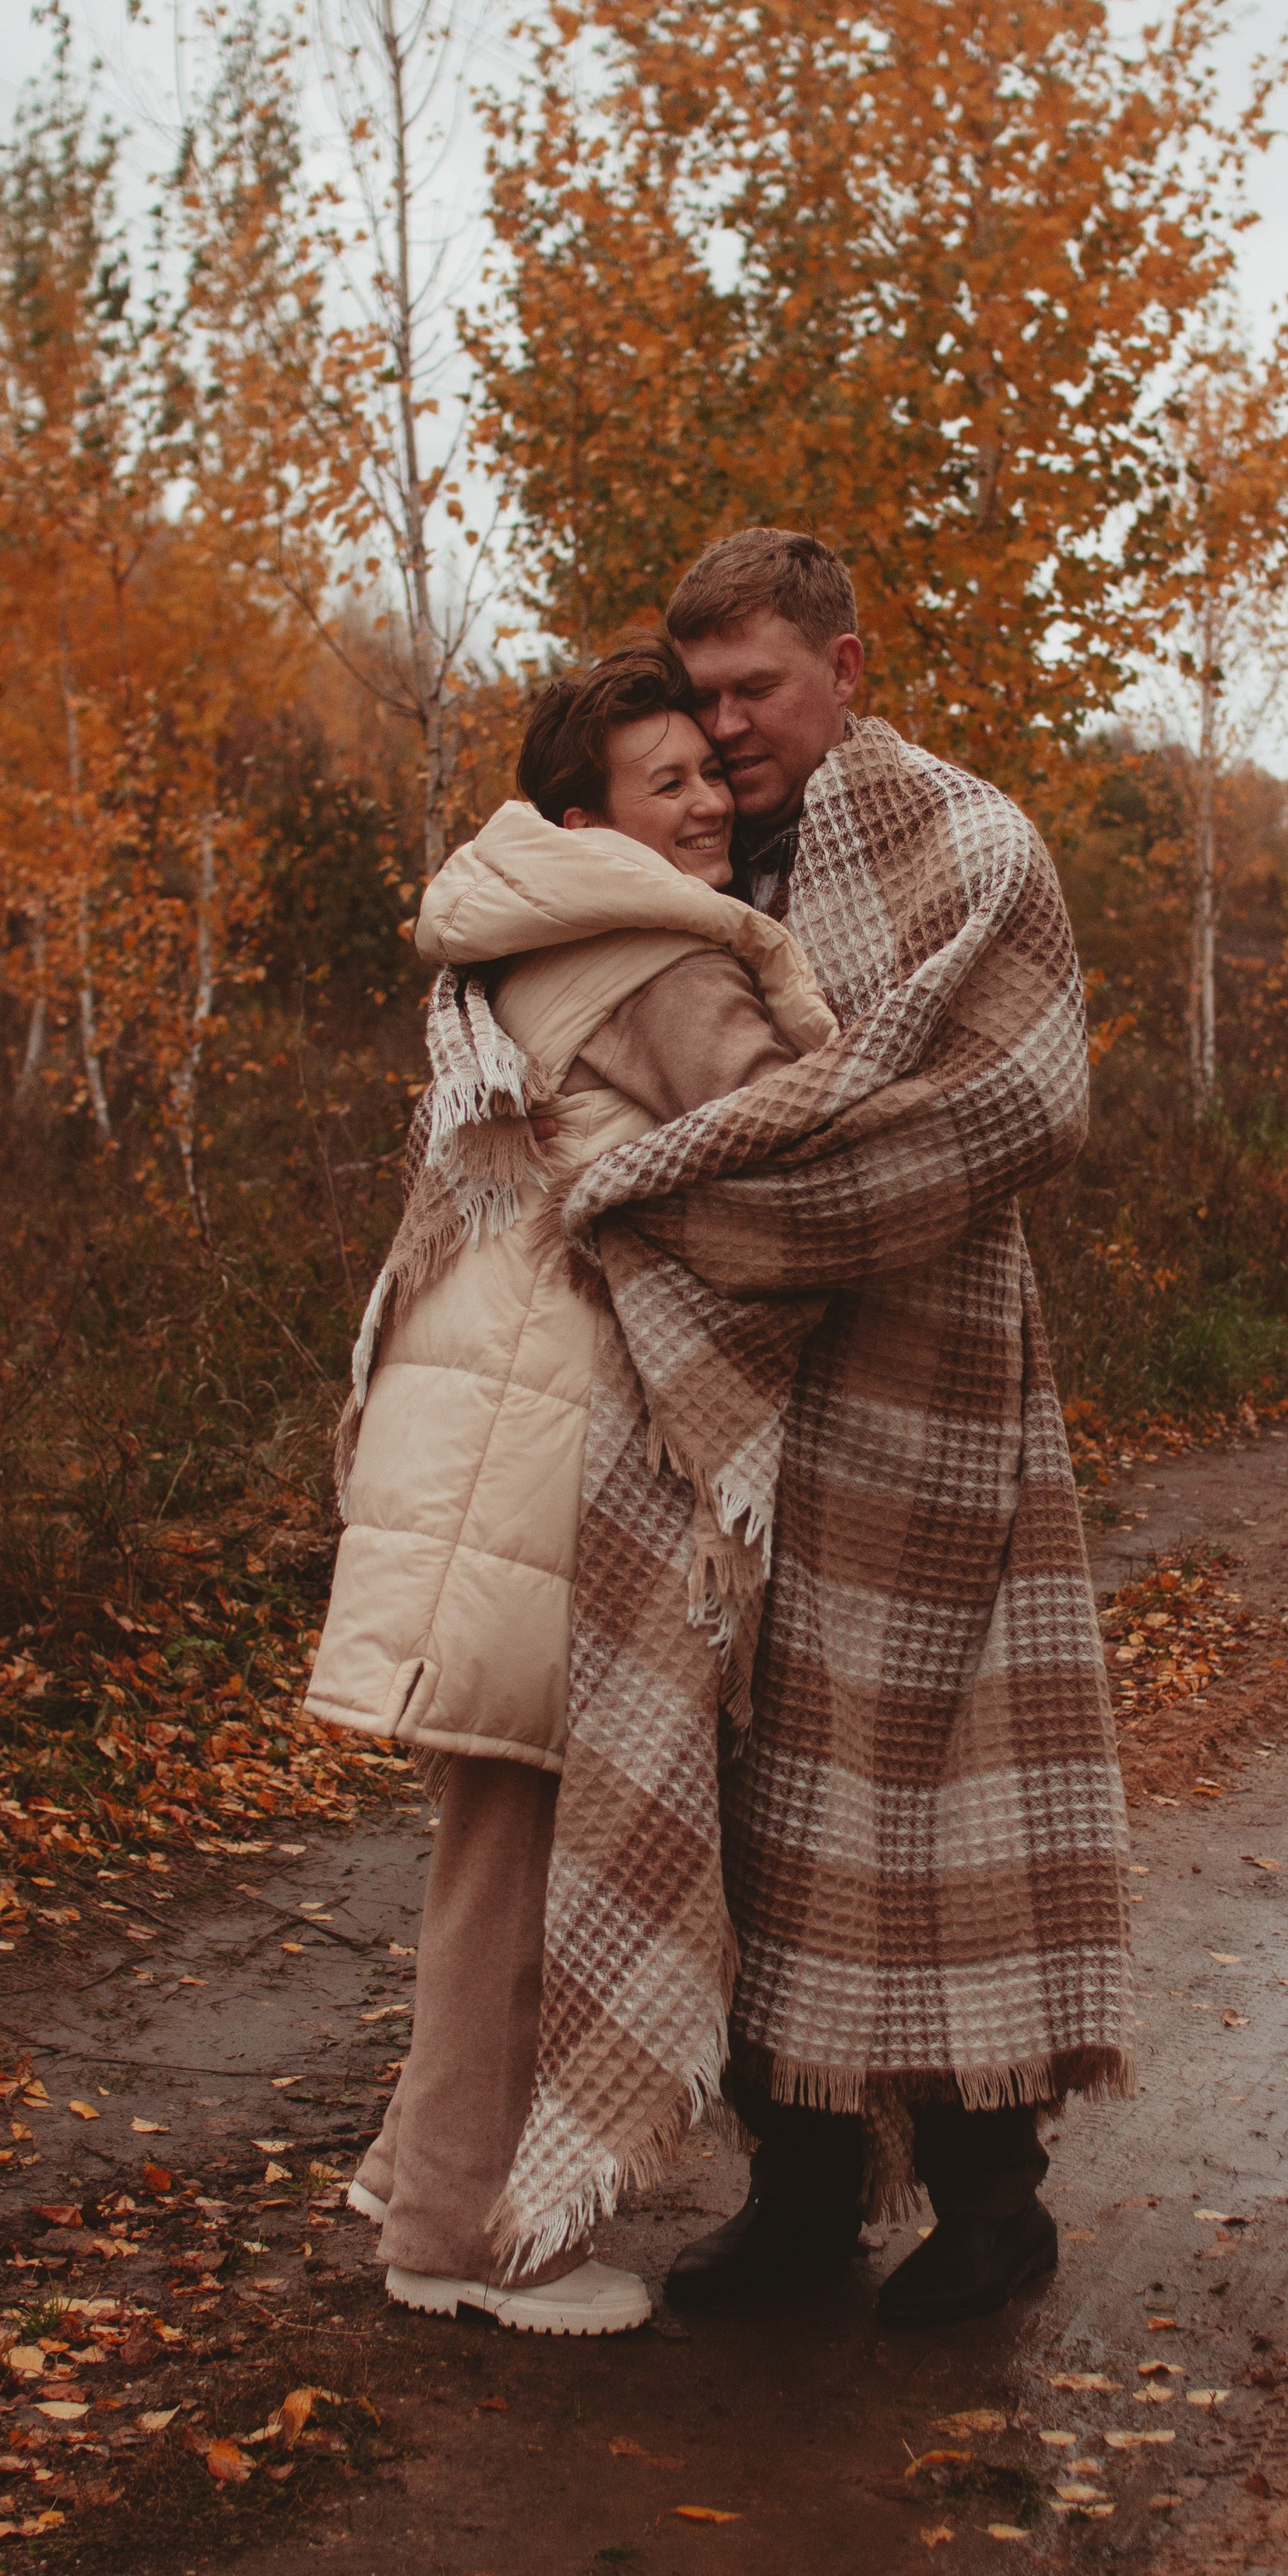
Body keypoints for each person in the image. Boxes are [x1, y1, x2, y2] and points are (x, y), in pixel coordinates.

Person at [470, 528, 1135, 2332]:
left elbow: (997, 1105)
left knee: (942, 1808)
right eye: (699, 700)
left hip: (936, 1403)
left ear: (843, 668)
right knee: (764, 1808)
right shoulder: (704, 860)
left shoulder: (969, 845)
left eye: (753, 689)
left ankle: (994, 2207)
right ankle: (802, 2194)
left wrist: (665, 1203)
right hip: (744, 1434)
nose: (724, 728)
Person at [304, 636, 836, 2335]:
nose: (709, 806)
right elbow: (805, 1149)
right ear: (582, 818)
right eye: (665, 783)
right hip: (554, 1454)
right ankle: (468, 2236)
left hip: (489, 1432)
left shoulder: (530, 928)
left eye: (711, 774)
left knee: (498, 1836)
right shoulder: (654, 956)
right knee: (532, 1853)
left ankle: (422, 2163)